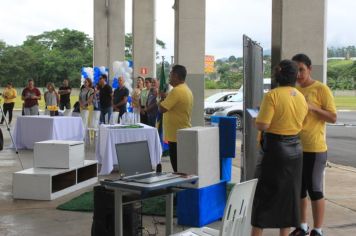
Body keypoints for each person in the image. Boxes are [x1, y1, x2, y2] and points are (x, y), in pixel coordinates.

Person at [251, 60, 308, 236]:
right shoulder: (300, 96)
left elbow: (263, 125)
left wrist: (256, 118)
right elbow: (303, 123)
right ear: (295, 76)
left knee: (264, 195)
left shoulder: (272, 95)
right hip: (296, 149)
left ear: (277, 75)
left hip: (275, 150)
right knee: (288, 197)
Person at [289, 54, 337, 236]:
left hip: (315, 148)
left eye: (302, 69)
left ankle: (318, 229)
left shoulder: (321, 89)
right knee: (299, 189)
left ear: (310, 69)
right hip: (295, 147)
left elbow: (333, 117)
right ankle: (302, 226)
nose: (299, 74)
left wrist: (313, 108)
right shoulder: (293, 91)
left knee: (314, 189)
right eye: (296, 70)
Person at [158, 65, 193, 172]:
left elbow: (162, 109)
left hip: (176, 135)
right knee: (181, 166)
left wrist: (160, 99)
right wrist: (165, 97)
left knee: (177, 167)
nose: (169, 77)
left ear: (176, 76)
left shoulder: (176, 91)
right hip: (181, 132)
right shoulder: (186, 89)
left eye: (170, 74)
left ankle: (180, 187)